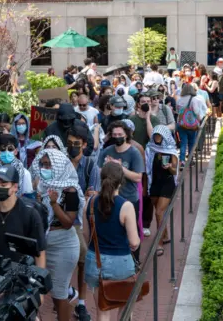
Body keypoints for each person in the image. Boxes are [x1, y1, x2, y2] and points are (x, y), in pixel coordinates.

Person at [30, 149, 84, 321]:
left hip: (64, 245)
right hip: (46, 243)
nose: (45, 168)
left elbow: (69, 222)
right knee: (50, 291)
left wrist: (54, 203)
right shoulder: (43, 186)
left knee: (60, 293)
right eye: (43, 164)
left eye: (49, 165)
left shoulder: (70, 190)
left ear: (59, 167)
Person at [84, 163, 140, 321]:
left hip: (95, 261)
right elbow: (134, 242)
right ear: (121, 182)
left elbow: (85, 234)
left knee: (102, 310)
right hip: (120, 262)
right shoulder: (126, 206)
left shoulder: (90, 202)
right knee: (124, 311)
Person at [66, 126, 99, 320]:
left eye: (76, 144)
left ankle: (81, 303)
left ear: (84, 145)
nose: (72, 147)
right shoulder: (61, 162)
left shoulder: (89, 165)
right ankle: (64, 292)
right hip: (60, 219)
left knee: (83, 261)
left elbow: (93, 194)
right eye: (69, 143)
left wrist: (89, 195)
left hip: (80, 221)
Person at [0, 165, 47, 268]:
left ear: (15, 187)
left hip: (20, 274)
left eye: (3, 184)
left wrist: (39, 278)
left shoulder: (29, 214)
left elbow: (39, 252)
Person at [98, 121, 144, 258]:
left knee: (131, 230)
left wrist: (119, 167)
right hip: (110, 197)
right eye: (114, 134)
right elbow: (99, 172)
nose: (117, 137)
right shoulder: (106, 151)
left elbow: (138, 177)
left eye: (120, 134)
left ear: (126, 135)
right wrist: (107, 167)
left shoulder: (134, 153)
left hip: (129, 197)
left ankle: (135, 260)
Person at [144, 126, 179, 256]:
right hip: (154, 183)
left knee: (159, 212)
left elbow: (175, 171)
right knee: (157, 211)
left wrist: (170, 167)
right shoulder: (150, 149)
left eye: (159, 136)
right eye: (155, 135)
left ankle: (159, 243)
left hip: (167, 182)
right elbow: (146, 168)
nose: (157, 138)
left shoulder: (170, 151)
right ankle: (165, 234)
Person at [0, 134, 34, 198]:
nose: (6, 152)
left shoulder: (25, 174)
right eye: (3, 149)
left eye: (10, 149)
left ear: (15, 151)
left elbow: (28, 198)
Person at [176, 84, 208, 169]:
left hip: (181, 124)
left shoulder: (179, 100)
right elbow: (197, 112)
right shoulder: (194, 99)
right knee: (191, 142)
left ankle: (182, 161)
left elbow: (178, 111)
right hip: (191, 125)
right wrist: (199, 120)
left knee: (183, 142)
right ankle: (190, 160)